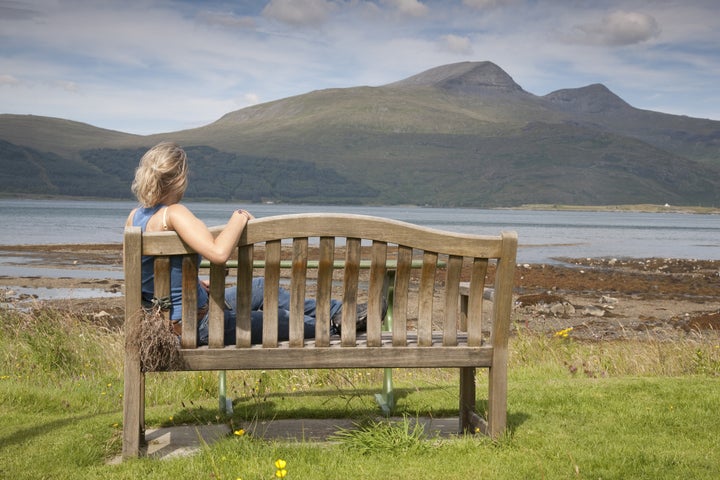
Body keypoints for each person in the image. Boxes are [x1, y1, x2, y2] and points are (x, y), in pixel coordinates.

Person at [126, 141, 367, 345]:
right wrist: (238, 217)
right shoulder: (174, 214)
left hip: (180, 317)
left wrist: (191, 282)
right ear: (179, 178)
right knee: (279, 318)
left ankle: (340, 311)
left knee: (261, 286)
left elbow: (143, 277)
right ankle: (337, 326)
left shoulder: (134, 217)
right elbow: (219, 254)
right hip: (198, 324)